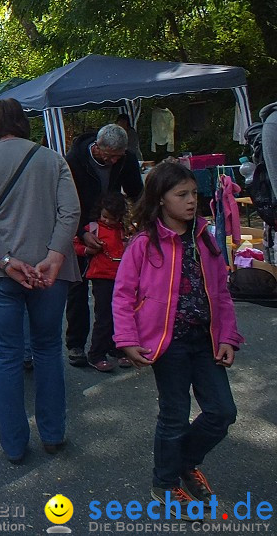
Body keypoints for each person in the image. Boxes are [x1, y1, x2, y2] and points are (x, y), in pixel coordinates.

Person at [113, 161, 242, 504]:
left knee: (222, 412)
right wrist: (127, 340)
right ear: (160, 200)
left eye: (193, 194)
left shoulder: (206, 239)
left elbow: (221, 292)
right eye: (181, 194)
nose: (190, 201)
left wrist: (228, 336)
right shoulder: (143, 243)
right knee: (174, 415)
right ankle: (165, 482)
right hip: (167, 343)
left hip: (206, 340)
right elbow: (123, 295)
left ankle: (185, 461)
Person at [0, 98, 81, 463]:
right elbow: (71, 210)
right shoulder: (52, 159)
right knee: (47, 350)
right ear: (24, 123)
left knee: (6, 357)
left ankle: (13, 444)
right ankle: (53, 433)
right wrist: (55, 254)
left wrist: (6, 260)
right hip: (50, 272)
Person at [64, 123, 143, 367]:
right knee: (76, 289)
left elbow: (136, 192)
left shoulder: (125, 161)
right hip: (81, 224)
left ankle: (111, 344)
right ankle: (76, 344)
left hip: (112, 227)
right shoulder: (74, 160)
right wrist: (80, 232)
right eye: (110, 156)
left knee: (112, 291)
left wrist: (136, 222)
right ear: (98, 148)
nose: (113, 161)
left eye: (118, 157)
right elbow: (65, 199)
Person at [74, 193, 129, 371]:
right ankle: (96, 353)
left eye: (111, 218)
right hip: (101, 277)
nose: (107, 221)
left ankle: (117, 348)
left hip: (121, 277)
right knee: (104, 317)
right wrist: (87, 250)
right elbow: (75, 245)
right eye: (104, 216)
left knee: (121, 316)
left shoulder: (123, 229)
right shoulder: (93, 228)